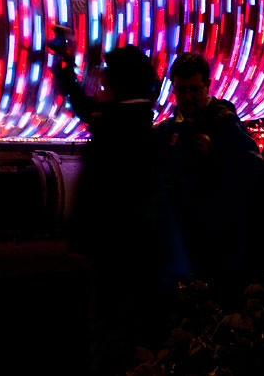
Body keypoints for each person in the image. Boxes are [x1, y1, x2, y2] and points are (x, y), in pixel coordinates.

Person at [52, 36, 182, 374]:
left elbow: (104, 187)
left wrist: (82, 235)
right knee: (125, 326)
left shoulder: (117, 126)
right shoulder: (136, 119)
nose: (104, 78)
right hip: (133, 245)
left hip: (114, 245)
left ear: (120, 80)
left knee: (109, 326)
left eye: (109, 71)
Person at [155, 52, 262, 293]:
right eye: (181, 90)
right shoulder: (171, 128)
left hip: (218, 240)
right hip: (182, 238)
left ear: (207, 86)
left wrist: (215, 152)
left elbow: (254, 170)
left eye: (194, 89)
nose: (187, 97)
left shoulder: (225, 124)